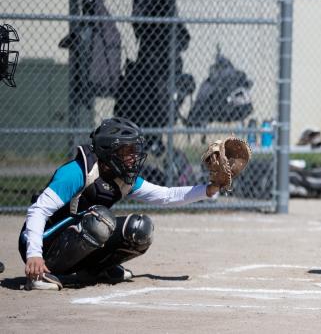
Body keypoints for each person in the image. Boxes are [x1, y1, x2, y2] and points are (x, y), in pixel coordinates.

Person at [18, 117, 221, 291]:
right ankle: (39, 275)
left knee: (139, 229)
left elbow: (166, 196)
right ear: (109, 151)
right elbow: (38, 210)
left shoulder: (121, 178)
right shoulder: (78, 171)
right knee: (101, 219)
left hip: (77, 233)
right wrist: (34, 254)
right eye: (128, 150)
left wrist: (208, 189)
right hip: (43, 241)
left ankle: (94, 270)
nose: (134, 156)